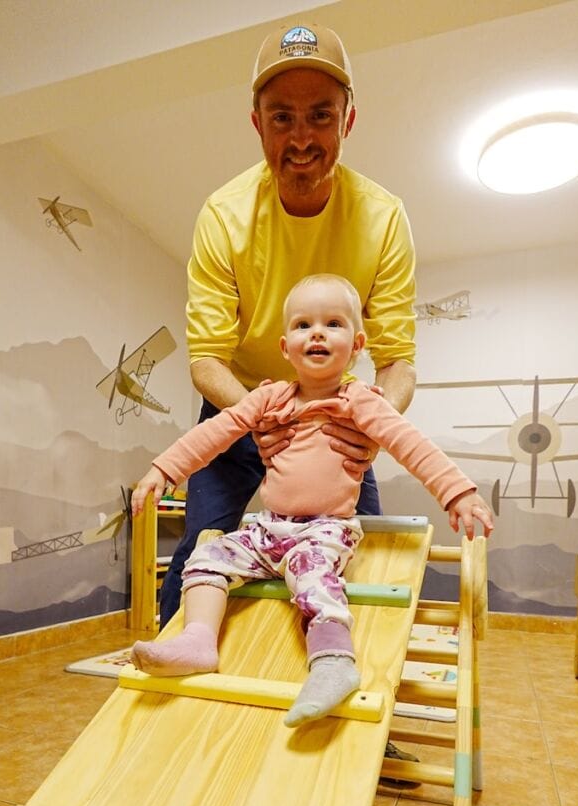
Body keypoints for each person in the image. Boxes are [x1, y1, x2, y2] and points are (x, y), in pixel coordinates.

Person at [131, 275, 494, 729]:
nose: (317, 332)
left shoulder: (360, 401)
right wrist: (165, 469)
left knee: (314, 576)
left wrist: (457, 490)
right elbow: (215, 432)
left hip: (326, 529)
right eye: (304, 324)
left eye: (333, 323)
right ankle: (198, 640)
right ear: (286, 347)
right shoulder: (268, 398)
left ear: (357, 344)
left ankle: (332, 662)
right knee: (206, 557)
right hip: (268, 528)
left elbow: (409, 443)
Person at [160, 21, 417, 630]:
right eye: (282, 118)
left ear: (348, 120)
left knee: (366, 547)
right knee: (202, 542)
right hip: (242, 400)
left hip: (336, 414)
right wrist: (263, 415)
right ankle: (180, 676)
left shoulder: (383, 218)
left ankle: (359, 711)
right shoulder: (224, 215)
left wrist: (374, 426)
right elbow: (206, 361)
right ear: (257, 123)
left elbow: (398, 360)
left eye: (320, 116)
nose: (301, 138)